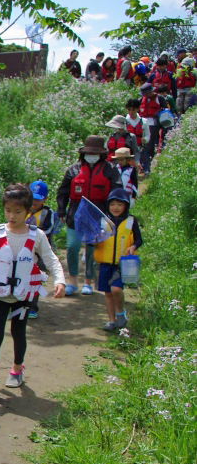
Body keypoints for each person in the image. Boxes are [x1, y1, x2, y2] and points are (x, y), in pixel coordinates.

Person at [0, 184, 65, 402]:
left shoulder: (37, 236)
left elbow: (51, 259)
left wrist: (60, 280)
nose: (12, 216)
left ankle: (16, 368)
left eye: (18, 211)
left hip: (23, 296)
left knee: (18, 332)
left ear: (28, 212)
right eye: (8, 210)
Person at [56, 135, 123, 296]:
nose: (91, 156)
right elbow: (63, 192)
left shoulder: (110, 170)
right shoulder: (73, 170)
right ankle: (72, 280)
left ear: (101, 154)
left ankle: (88, 281)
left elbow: (117, 192)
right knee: (72, 247)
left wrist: (113, 215)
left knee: (91, 249)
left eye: (95, 153)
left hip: (98, 214)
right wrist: (61, 210)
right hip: (75, 214)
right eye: (89, 152)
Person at [94, 189, 142, 331]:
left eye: (119, 205)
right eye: (112, 204)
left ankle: (120, 312)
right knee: (108, 293)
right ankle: (111, 321)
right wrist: (94, 241)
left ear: (126, 206)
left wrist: (133, 246)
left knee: (116, 289)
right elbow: (93, 240)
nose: (115, 207)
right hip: (105, 263)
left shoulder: (131, 221)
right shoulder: (103, 221)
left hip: (123, 264)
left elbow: (139, 239)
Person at [25, 180, 58, 320]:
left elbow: (49, 229)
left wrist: (36, 236)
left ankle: (32, 307)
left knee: (35, 279)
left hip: (39, 251)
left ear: (45, 199)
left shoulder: (47, 213)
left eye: (38, 200)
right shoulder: (23, 210)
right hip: (24, 250)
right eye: (32, 199)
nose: (34, 203)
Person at [138, 83, 168, 174]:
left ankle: (148, 166)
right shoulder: (141, 99)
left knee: (149, 146)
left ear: (151, 92)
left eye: (146, 93)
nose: (145, 95)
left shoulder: (159, 98)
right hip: (142, 124)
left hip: (153, 124)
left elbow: (165, 110)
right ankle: (142, 165)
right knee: (141, 146)